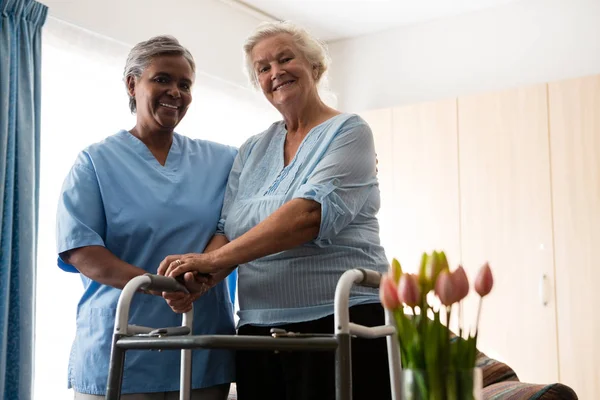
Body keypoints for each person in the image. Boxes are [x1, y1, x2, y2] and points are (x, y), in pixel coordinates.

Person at [159, 21, 392, 400]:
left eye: (286, 59)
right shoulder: (252, 149)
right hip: (258, 329)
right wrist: (200, 278)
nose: (275, 72)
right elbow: (227, 227)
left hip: (340, 320)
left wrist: (212, 260)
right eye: (263, 68)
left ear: (314, 67)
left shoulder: (348, 131)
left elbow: (308, 216)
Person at [56, 35, 236, 400]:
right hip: (121, 346)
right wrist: (160, 285)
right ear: (131, 84)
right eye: (162, 79)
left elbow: (233, 227)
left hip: (200, 347)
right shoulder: (95, 161)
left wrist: (199, 278)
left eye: (185, 85)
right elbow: (82, 250)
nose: (175, 92)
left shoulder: (222, 161)